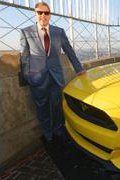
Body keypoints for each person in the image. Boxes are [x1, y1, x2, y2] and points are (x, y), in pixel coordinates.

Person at [19, 2, 85, 143]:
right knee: (41, 107)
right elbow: (24, 57)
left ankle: (58, 130)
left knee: (56, 105)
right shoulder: (26, 32)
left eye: (46, 13)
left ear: (50, 15)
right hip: (37, 78)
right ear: (35, 14)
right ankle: (47, 132)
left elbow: (69, 51)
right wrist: (27, 76)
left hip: (56, 77)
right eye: (40, 12)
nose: (43, 15)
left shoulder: (59, 32)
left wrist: (79, 69)